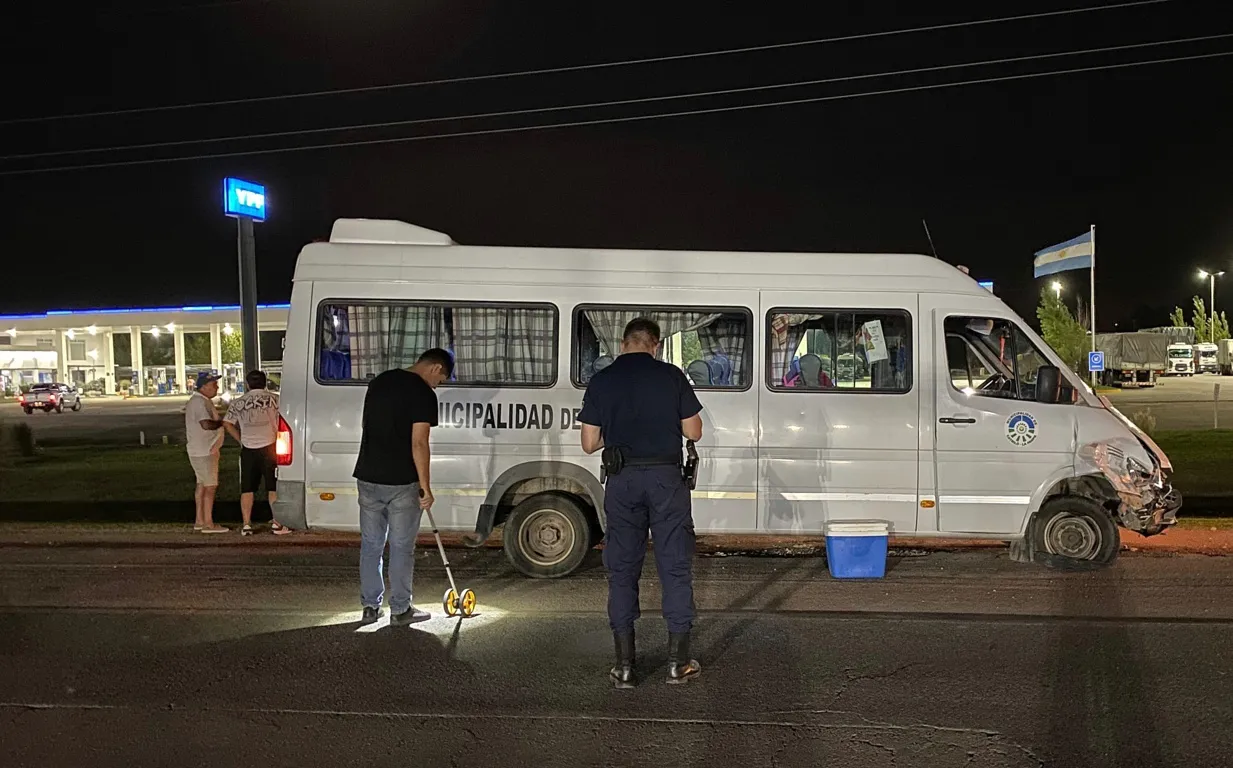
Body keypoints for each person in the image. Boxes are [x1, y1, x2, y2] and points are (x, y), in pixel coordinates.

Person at [578, 317, 704, 688]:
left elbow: (589, 443)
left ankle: (625, 668)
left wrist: (618, 434)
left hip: (623, 481)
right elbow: (693, 431)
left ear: (623, 343)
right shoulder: (672, 376)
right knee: (674, 567)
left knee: (622, 569)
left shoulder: (602, 380)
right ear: (656, 344)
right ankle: (677, 664)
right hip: (666, 480)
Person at [352, 348, 453, 625]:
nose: (438, 385)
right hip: (402, 482)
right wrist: (425, 487)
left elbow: (368, 426)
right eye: (441, 379)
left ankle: (370, 606)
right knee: (400, 546)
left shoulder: (379, 382)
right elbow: (419, 443)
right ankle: (400, 609)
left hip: (368, 476)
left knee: (371, 545)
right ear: (435, 368)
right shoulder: (423, 393)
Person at [223, 370, 291, 536]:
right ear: (265, 382)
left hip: (248, 449)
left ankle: (246, 524)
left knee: (247, 488)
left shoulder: (238, 402)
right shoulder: (276, 399)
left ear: (247, 384)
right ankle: (277, 523)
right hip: (271, 447)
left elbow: (227, 423)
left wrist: (240, 439)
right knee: (273, 487)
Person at [186, 371, 226, 534]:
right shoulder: (199, 403)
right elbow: (206, 424)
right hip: (205, 450)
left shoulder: (200, 401)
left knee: (202, 485)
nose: (216, 387)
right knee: (210, 486)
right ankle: (209, 523)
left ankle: (200, 520)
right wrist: (222, 423)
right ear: (203, 387)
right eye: (213, 385)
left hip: (200, 450)